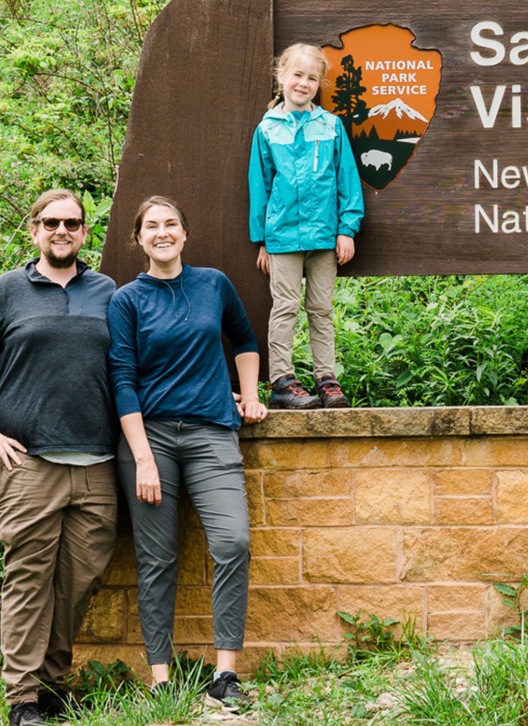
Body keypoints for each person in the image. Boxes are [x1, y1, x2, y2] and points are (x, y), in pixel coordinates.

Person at [0, 189, 118, 726]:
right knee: (29, 581)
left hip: (98, 466)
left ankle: (54, 685)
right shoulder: (8, 291)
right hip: (28, 466)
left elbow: (140, 362)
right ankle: (22, 700)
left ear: (86, 232)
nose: (62, 231)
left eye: (73, 223)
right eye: (51, 222)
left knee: (80, 583)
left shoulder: (107, 291)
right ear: (34, 230)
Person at [108, 196, 267, 704]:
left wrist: (252, 395)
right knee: (157, 559)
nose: (162, 232)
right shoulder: (127, 300)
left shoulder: (213, 284)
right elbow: (123, 380)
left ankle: (225, 675)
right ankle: (162, 678)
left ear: (184, 232)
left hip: (211, 434)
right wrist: (144, 458)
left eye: (171, 223)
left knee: (233, 543)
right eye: (151, 226)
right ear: (138, 238)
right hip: (148, 439)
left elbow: (244, 340)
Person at [247, 42, 365, 410]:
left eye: (312, 78)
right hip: (282, 237)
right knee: (284, 306)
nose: (303, 83)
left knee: (321, 308)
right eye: (297, 75)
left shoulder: (330, 127)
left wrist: (347, 229)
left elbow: (348, 179)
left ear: (319, 84)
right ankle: (282, 380)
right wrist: (262, 240)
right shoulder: (267, 130)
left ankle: (326, 379)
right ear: (281, 77)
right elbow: (260, 185)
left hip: (324, 236)